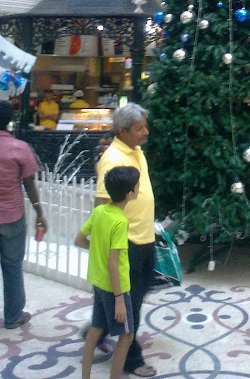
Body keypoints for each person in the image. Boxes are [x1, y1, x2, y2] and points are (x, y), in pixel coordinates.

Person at [95, 103, 156, 378]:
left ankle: (99, 328)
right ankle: (131, 359)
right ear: (122, 131)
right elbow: (100, 207)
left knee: (133, 299)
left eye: (145, 125)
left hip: (145, 239)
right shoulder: (112, 159)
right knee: (131, 306)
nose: (146, 132)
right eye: (139, 128)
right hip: (127, 244)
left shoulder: (136, 150)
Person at [75, 166, 140, 379]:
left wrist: (96, 250)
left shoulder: (99, 211)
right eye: (136, 185)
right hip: (116, 288)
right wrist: (120, 299)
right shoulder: (120, 222)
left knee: (95, 329)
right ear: (130, 193)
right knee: (127, 334)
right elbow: (114, 264)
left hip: (98, 282)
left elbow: (79, 239)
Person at [0, 100, 47, 328]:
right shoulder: (19, 148)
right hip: (11, 217)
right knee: (12, 268)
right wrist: (40, 213)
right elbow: (30, 185)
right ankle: (12, 316)